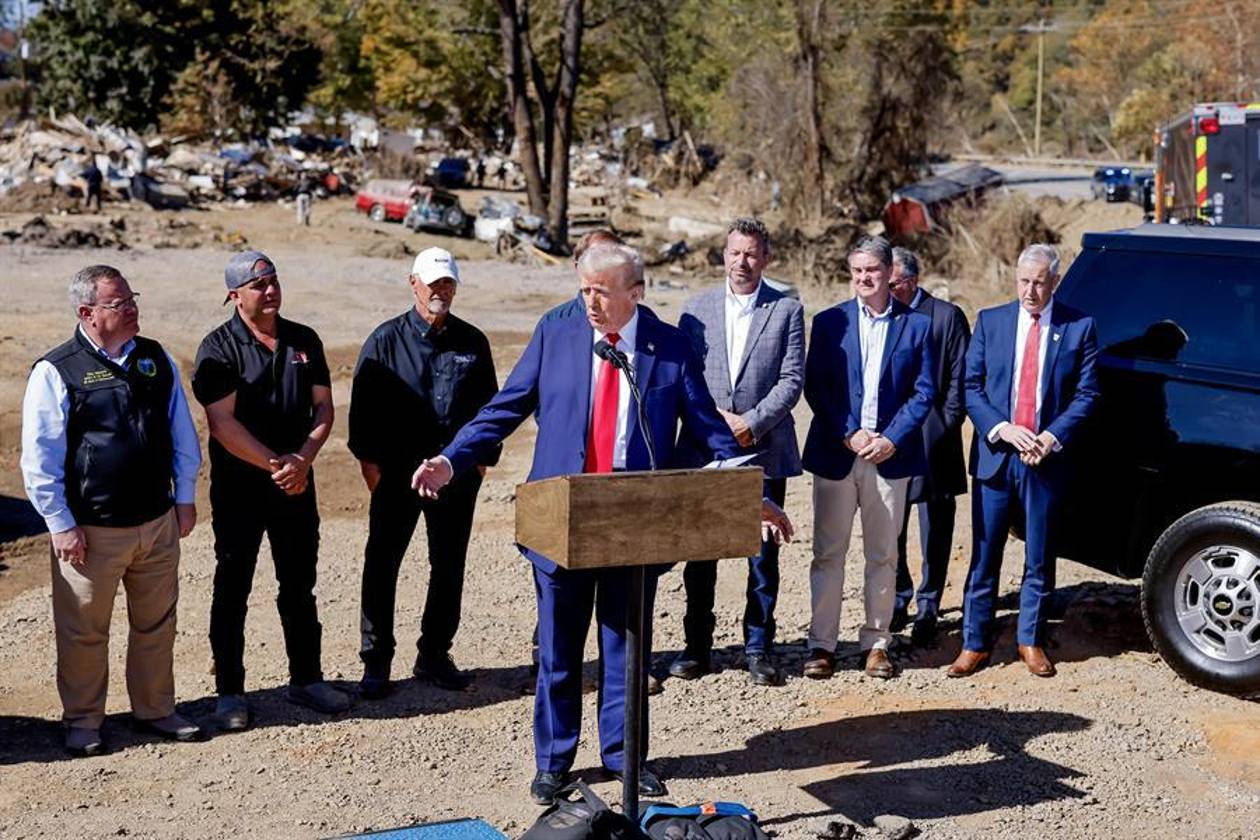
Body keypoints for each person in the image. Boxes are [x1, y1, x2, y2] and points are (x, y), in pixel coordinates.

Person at [412, 243, 742, 806]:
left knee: (626, 650)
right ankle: (554, 763)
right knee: (561, 652)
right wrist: (451, 458)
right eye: (584, 289)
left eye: (602, 292)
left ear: (634, 293)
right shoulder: (557, 332)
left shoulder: (668, 347)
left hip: (634, 523)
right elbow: (505, 407)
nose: (589, 302)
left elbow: (711, 430)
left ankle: (624, 758)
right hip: (560, 520)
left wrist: (745, 489)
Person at [21, 265, 202, 756]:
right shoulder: (57, 370)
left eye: (131, 298)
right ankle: (83, 720)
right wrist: (60, 523)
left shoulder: (154, 358)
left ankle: (156, 708)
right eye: (120, 303)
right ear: (87, 313)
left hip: (156, 522)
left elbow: (181, 431)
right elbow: (39, 457)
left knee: (156, 624)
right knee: (83, 631)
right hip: (90, 532)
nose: (133, 309)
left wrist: (184, 497)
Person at [192, 250, 351, 731]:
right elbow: (222, 424)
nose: (270, 290)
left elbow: (323, 408)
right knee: (233, 584)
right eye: (259, 284)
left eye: (274, 280)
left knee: (300, 584)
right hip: (243, 487)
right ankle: (230, 692)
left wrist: (303, 458)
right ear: (234, 295)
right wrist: (277, 463)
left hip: (296, 483)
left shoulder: (304, 340)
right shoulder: (219, 348)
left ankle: (307, 678)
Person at [351, 248, 500, 699]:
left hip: (454, 476)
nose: (441, 291)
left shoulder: (473, 342)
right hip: (397, 474)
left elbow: (490, 411)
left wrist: (478, 462)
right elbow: (363, 415)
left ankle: (434, 654)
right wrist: (373, 468)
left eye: (448, 283)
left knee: (449, 564)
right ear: (413, 282)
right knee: (382, 564)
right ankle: (376, 661)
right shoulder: (385, 341)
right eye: (433, 283)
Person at [948, 244, 1099, 679]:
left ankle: (1030, 640)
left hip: (1043, 460)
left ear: (1054, 281)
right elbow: (971, 387)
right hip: (997, 455)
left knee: (1039, 554)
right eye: (1024, 281)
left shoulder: (1078, 326)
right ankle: (974, 642)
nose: (1030, 291)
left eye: (1039, 282)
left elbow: (1086, 394)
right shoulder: (991, 322)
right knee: (984, 553)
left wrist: (1050, 438)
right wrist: (1002, 429)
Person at [672, 218, 805, 686]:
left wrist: (750, 423)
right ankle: (696, 647)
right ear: (723, 255)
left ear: (766, 259)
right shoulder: (695, 310)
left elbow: (792, 379)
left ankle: (758, 646)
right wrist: (716, 425)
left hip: (764, 447)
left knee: (762, 554)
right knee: (701, 552)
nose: (741, 262)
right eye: (734, 253)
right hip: (705, 449)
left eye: (751, 254)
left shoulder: (787, 310)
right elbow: (683, 378)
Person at [801, 235, 935, 681]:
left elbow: (924, 391)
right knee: (828, 553)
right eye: (857, 271)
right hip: (839, 453)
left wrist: (892, 438)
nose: (863, 279)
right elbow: (816, 387)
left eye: (871, 271)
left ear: (887, 273)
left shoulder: (916, 326)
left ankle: (876, 642)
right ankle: (821, 644)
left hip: (889, 457)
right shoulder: (828, 323)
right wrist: (849, 433)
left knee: (883, 554)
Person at [886, 247, 971, 647]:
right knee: (891, 523)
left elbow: (961, 377)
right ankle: (899, 597)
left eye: (894, 283)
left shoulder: (946, 316)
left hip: (935, 437)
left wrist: (945, 424)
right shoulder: (884, 315)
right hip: (891, 437)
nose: (887, 289)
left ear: (912, 281)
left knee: (936, 525)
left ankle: (930, 602)